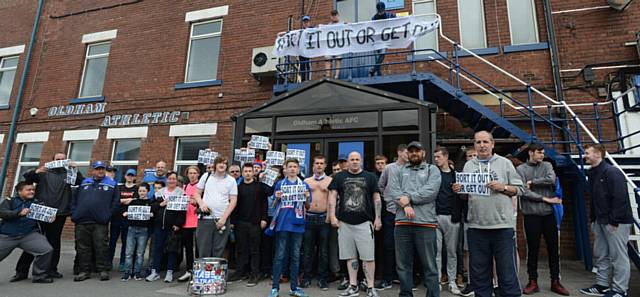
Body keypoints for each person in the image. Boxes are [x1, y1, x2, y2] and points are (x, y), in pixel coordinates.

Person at [452, 131, 525, 297]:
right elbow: (466, 195)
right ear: (475, 145)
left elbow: (520, 189)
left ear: (492, 144)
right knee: (479, 276)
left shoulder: (505, 163)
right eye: (478, 142)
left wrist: (503, 187)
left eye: (485, 142)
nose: (482, 145)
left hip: (502, 227)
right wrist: (459, 190)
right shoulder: (469, 165)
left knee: (507, 273)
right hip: (476, 227)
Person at [13, 152, 82, 282]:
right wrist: (38, 170)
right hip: (41, 212)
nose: (60, 161)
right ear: (52, 160)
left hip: (59, 213)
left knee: (54, 243)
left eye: (63, 159)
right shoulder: (43, 174)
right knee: (32, 241)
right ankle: (21, 272)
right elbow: (27, 178)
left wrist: (75, 168)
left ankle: (51, 270)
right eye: (57, 159)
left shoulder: (69, 174)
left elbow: (80, 182)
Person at [387, 141, 441, 297]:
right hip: (402, 223)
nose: (414, 153)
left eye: (417, 151)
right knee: (403, 265)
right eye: (411, 151)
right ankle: (405, 294)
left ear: (423, 153)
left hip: (425, 224)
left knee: (429, 265)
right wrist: (405, 206)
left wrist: (408, 199)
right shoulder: (398, 171)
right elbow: (394, 191)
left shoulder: (432, 170)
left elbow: (431, 191)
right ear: (406, 154)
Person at [580, 144, 633, 297]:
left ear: (598, 154)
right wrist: (594, 220)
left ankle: (620, 290)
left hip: (616, 222)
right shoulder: (593, 172)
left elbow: (620, 198)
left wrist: (615, 221)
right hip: (600, 221)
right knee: (601, 254)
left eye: (588, 153)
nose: (585, 156)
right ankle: (602, 285)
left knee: (618, 257)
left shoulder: (612, 172)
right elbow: (595, 199)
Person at [516, 144, 569, 296]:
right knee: (532, 249)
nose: (542, 155)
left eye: (543, 153)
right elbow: (523, 192)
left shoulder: (547, 165)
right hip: (531, 216)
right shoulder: (521, 170)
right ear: (531, 153)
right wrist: (545, 198)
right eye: (539, 153)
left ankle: (555, 282)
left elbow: (551, 179)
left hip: (548, 216)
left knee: (553, 249)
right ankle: (533, 282)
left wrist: (533, 182)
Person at [328, 151, 382, 297]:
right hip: (345, 223)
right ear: (348, 161)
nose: (354, 161)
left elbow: (376, 198)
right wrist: (332, 216)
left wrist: (378, 218)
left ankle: (370, 287)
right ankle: (353, 285)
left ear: (361, 161)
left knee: (368, 257)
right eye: (352, 159)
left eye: (357, 159)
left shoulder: (370, 177)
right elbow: (332, 197)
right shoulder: (340, 176)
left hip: (364, 223)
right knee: (350, 256)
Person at [268, 158, 312, 297]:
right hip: (282, 224)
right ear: (285, 169)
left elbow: (308, 207)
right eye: (290, 166)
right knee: (279, 256)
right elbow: (274, 206)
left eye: (295, 167)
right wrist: (277, 197)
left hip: (297, 224)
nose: (292, 169)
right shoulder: (280, 184)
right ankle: (275, 288)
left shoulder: (304, 185)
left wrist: (306, 198)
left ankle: (294, 287)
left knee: (295, 256)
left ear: (298, 170)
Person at [72, 161, 120, 282]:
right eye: (98, 169)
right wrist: (75, 214)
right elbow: (74, 199)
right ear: (93, 170)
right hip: (82, 221)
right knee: (82, 248)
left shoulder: (112, 184)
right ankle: (84, 271)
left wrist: (107, 215)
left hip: (100, 222)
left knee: (101, 246)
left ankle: (103, 270)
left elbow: (116, 202)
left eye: (102, 169)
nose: (100, 171)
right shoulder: (84, 182)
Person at [0, 182, 54, 283]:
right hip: (7, 236)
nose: (32, 191)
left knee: (46, 250)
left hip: (29, 235)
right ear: (19, 191)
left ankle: (39, 276)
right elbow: (2, 213)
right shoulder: (10, 201)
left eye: (33, 190)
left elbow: (42, 219)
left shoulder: (37, 203)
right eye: (28, 190)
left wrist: (49, 218)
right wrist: (18, 213)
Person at [229, 163, 272, 287]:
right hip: (241, 223)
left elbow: (265, 201)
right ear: (242, 173)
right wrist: (232, 222)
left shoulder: (259, 186)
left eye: (250, 171)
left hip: (256, 223)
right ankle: (240, 272)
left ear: (254, 172)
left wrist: (264, 218)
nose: (247, 173)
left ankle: (254, 274)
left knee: (255, 250)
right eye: (245, 171)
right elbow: (234, 206)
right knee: (241, 249)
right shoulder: (238, 187)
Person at [432, 147, 465, 295]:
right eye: (435, 157)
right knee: (436, 252)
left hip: (452, 218)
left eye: (438, 157)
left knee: (452, 252)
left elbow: (465, 197)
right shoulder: (433, 175)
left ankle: (452, 281)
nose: (436, 159)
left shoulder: (456, 176)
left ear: (446, 157)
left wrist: (460, 190)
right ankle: (437, 281)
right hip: (435, 217)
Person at [375, 144, 408, 290]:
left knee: (406, 246)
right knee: (388, 246)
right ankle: (387, 278)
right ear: (399, 152)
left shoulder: (412, 168)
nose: (408, 155)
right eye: (406, 152)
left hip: (407, 212)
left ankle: (405, 278)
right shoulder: (389, 168)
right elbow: (381, 186)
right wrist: (388, 198)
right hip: (391, 212)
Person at [193, 156, 238, 258]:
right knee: (203, 248)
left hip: (222, 219)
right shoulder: (206, 176)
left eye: (225, 163)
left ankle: (215, 273)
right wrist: (202, 204)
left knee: (219, 249)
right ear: (215, 165)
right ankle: (204, 273)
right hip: (205, 218)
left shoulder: (231, 180)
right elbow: (196, 193)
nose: (222, 165)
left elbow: (233, 200)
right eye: (219, 163)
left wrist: (224, 218)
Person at [146, 171, 187, 283]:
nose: (172, 181)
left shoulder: (181, 193)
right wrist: (160, 204)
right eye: (170, 179)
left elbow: (183, 211)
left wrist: (178, 224)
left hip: (173, 226)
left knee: (172, 250)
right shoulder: (159, 193)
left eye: (174, 179)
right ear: (167, 180)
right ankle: (155, 272)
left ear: (176, 181)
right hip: (159, 225)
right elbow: (152, 207)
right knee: (157, 248)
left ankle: (170, 272)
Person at [301, 155, 333, 291]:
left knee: (324, 251)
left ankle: (322, 278)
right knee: (307, 250)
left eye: (321, 163)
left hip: (323, 218)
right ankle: (307, 277)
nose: (319, 165)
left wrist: (330, 216)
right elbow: (302, 200)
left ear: (325, 166)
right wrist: (301, 216)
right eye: (317, 163)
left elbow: (333, 200)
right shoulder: (306, 181)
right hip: (309, 217)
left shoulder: (331, 180)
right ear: (313, 165)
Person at [121, 183, 154, 281]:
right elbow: (126, 211)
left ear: (148, 191)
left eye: (144, 191)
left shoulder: (150, 203)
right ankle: (127, 272)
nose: (142, 193)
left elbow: (153, 215)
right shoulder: (133, 201)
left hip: (143, 230)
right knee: (129, 252)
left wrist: (151, 214)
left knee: (140, 253)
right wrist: (126, 213)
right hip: (131, 229)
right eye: (140, 191)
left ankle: (137, 272)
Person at [109, 168, 138, 272]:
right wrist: (126, 200)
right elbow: (115, 200)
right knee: (112, 241)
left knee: (126, 242)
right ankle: (109, 262)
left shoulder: (136, 188)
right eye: (128, 175)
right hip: (116, 218)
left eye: (132, 175)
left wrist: (124, 201)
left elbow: (136, 201)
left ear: (134, 177)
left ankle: (122, 262)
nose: (130, 177)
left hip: (128, 219)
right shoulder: (119, 187)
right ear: (125, 176)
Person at [177, 165, 200, 282]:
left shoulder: (201, 186)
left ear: (198, 174)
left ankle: (198, 271)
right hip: (186, 221)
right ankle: (189, 270)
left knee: (199, 248)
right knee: (188, 248)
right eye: (190, 173)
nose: (192, 175)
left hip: (197, 221)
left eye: (194, 173)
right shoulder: (185, 187)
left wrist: (195, 201)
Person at [369, 2, 395, 77]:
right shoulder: (374, 18)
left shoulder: (390, 15)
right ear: (377, 10)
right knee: (379, 56)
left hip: (385, 39)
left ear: (384, 9)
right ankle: (377, 72)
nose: (381, 12)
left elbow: (398, 21)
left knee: (382, 54)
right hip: (377, 39)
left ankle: (373, 69)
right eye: (379, 11)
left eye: (382, 10)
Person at [325, 9, 342, 79]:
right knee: (327, 59)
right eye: (333, 15)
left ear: (338, 16)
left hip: (338, 45)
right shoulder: (328, 25)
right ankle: (328, 75)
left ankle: (336, 75)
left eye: (335, 15)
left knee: (338, 59)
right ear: (331, 16)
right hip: (330, 46)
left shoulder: (342, 24)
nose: (334, 16)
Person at [299, 15, 313, 82]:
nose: (306, 23)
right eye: (304, 22)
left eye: (307, 22)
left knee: (308, 64)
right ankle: (303, 79)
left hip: (308, 50)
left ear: (309, 23)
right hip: (301, 51)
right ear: (303, 23)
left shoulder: (312, 29)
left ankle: (308, 79)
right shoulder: (299, 32)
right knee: (302, 65)